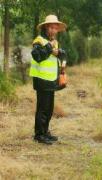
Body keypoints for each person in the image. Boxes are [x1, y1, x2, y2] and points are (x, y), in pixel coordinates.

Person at [29, 15, 67, 145]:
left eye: (56, 28)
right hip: (42, 80)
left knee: (49, 109)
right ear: (46, 27)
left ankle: (45, 132)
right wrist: (50, 48)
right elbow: (37, 56)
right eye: (52, 27)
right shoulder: (39, 40)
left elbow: (60, 55)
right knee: (42, 109)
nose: (54, 30)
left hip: (51, 80)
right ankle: (39, 135)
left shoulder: (54, 42)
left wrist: (59, 52)